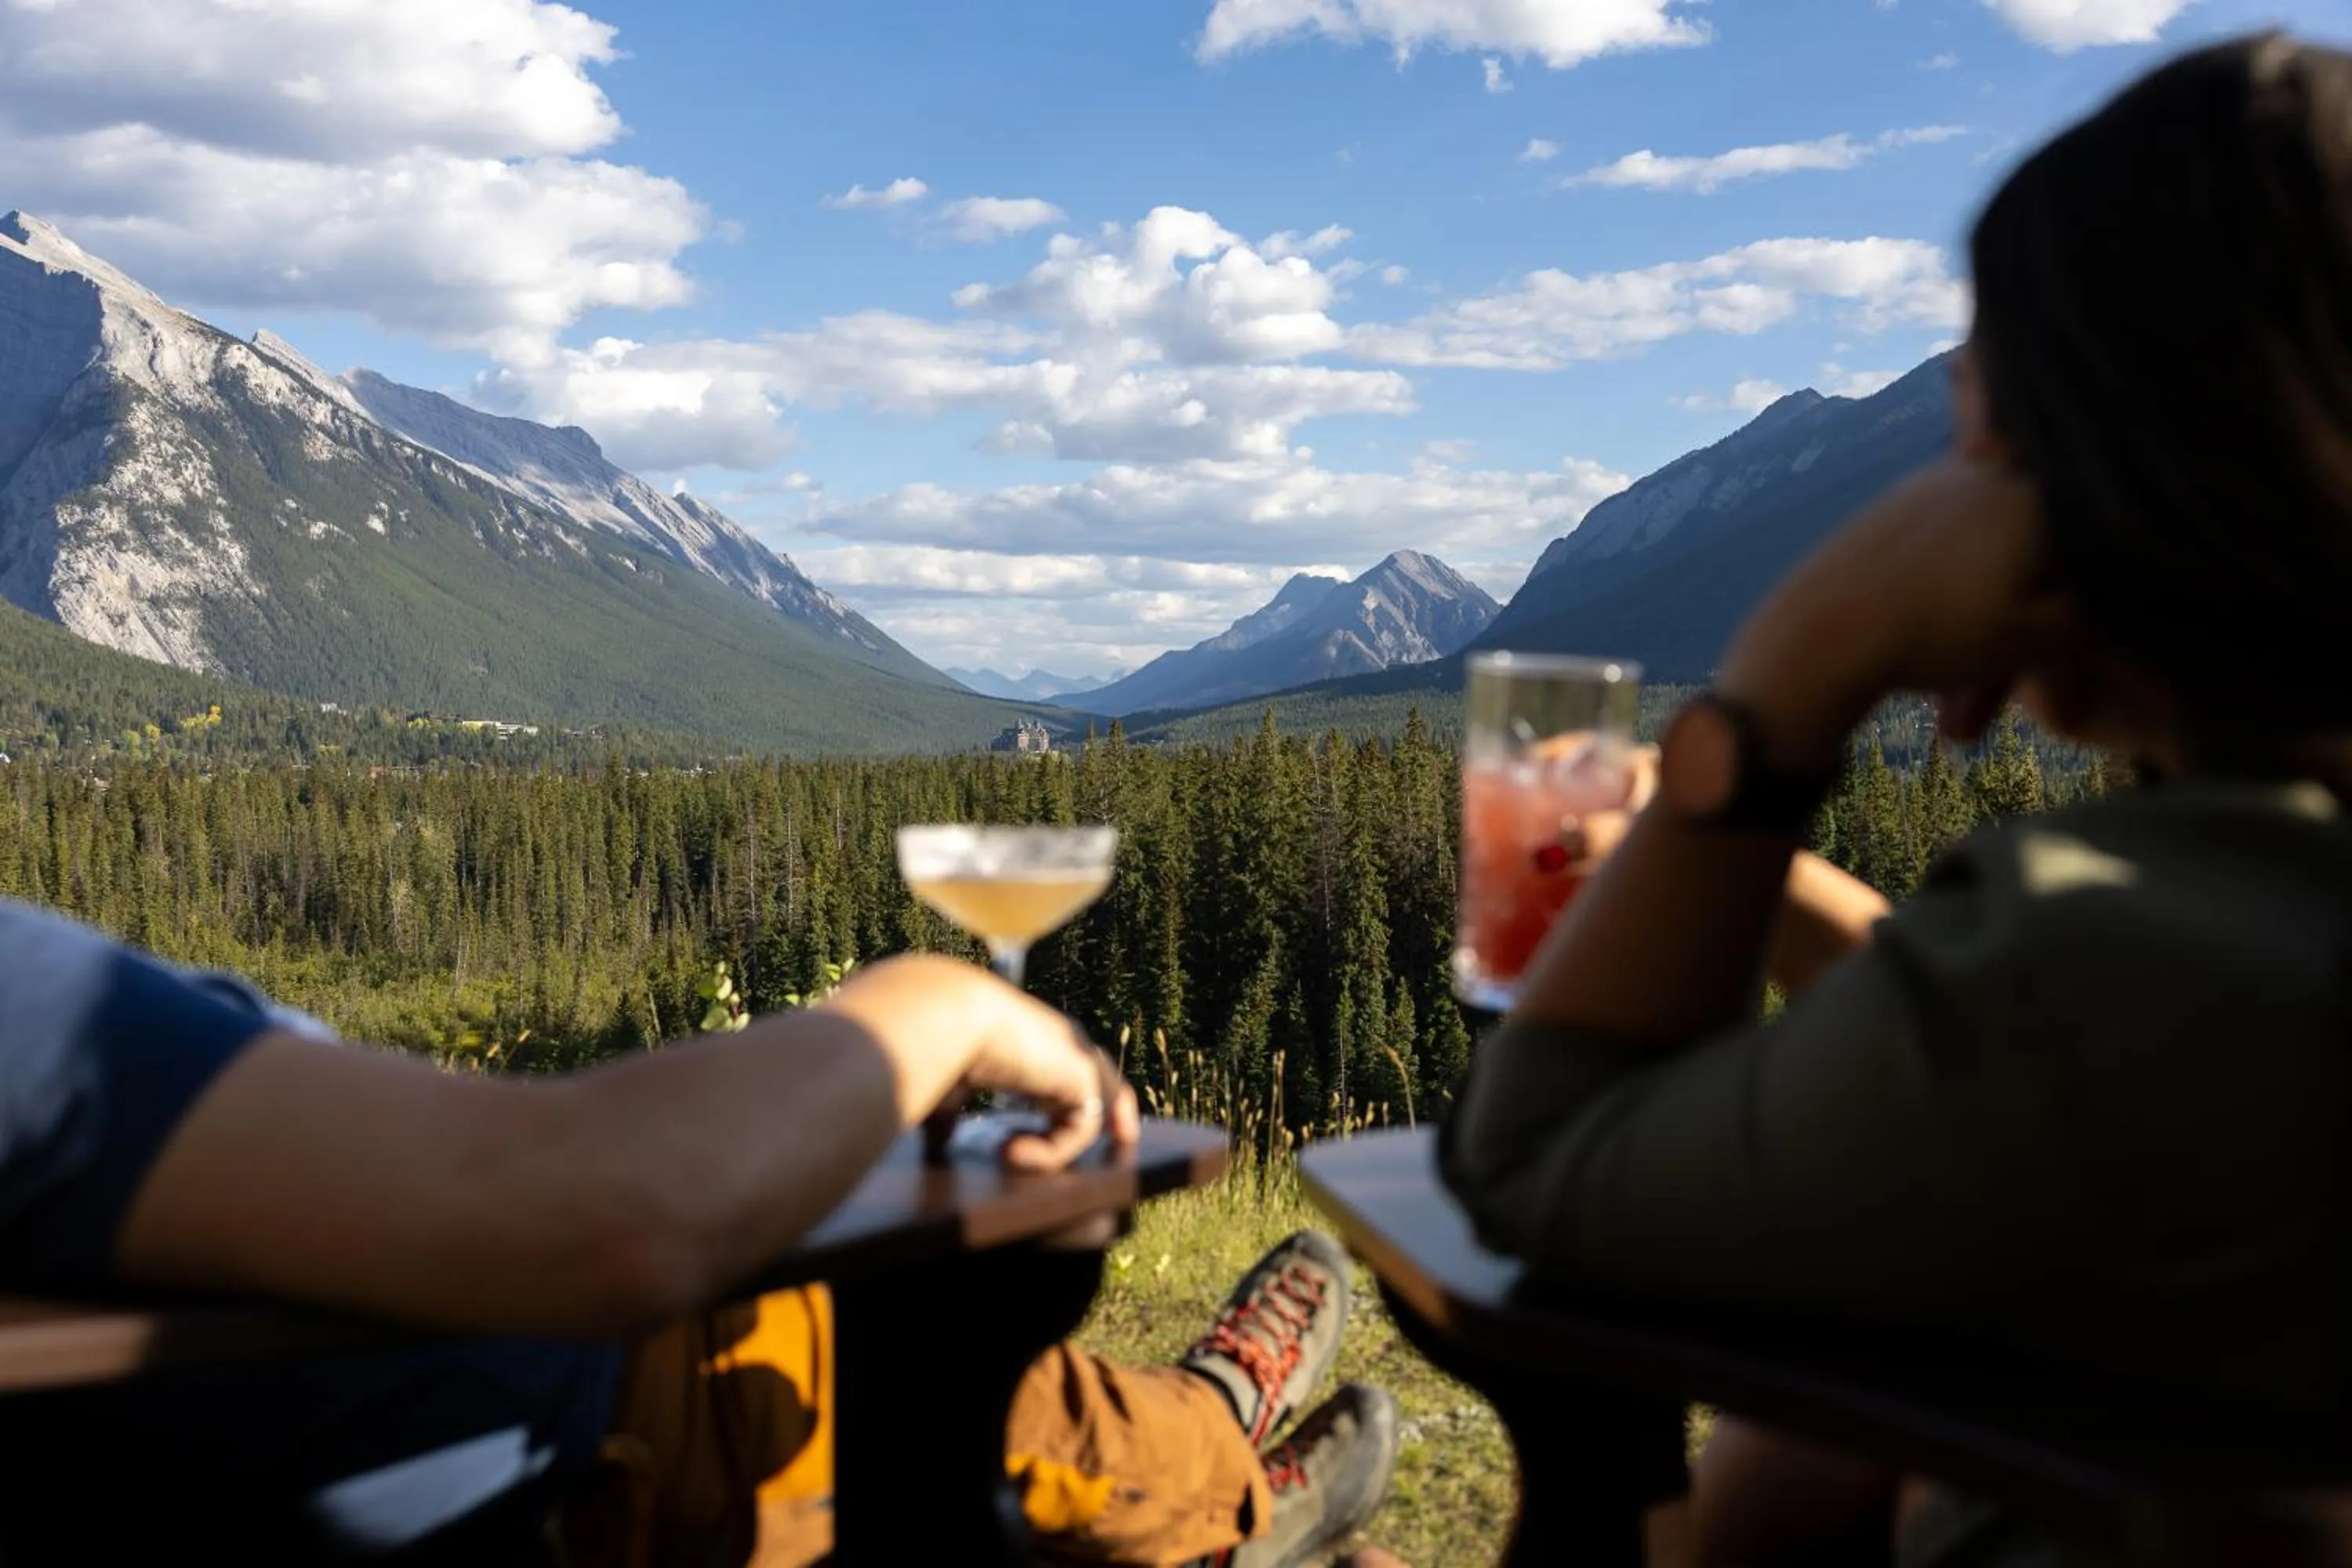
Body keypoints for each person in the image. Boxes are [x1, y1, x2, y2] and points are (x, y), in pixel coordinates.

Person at [1440, 30, 2352, 1568]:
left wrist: (1790, 682)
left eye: (1976, 421)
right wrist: (1777, 880)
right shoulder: (2232, 927)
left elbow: (1535, 1163)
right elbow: (2022, 1072)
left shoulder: (2124, 959)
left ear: (2088, 462)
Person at [0, 897, 1399, 1566]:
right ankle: (1231, 1491)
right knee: (907, 1364)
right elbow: (602, 1213)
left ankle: (1206, 1412)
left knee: (976, 1365)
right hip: (599, 1437)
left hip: (465, 1373)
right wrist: (944, 1005)